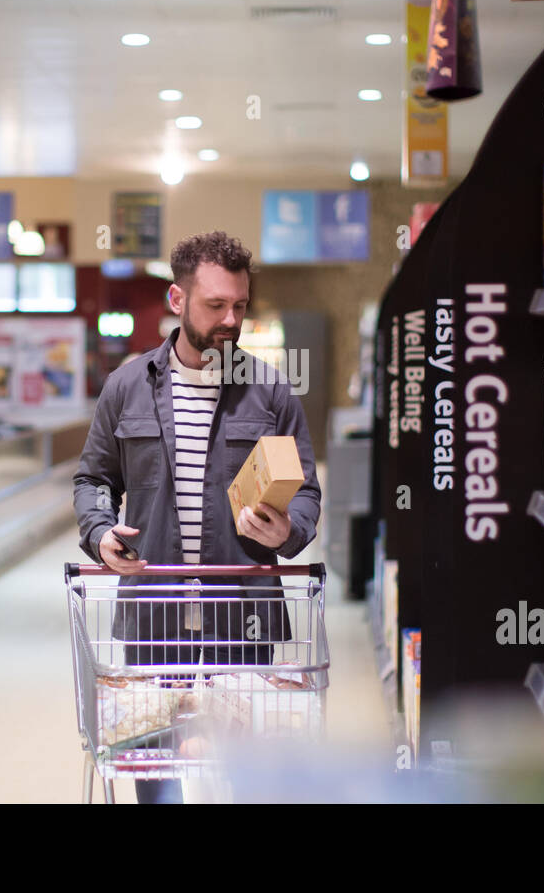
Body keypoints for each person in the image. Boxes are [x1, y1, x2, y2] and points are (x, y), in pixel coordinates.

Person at [72, 230, 321, 803]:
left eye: (240, 305)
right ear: (177, 300)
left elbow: (306, 492)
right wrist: (100, 532)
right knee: (155, 775)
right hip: (154, 616)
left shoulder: (270, 391)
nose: (231, 319)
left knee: (244, 774)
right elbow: (92, 479)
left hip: (242, 621)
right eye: (216, 305)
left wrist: (289, 530)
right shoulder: (126, 388)